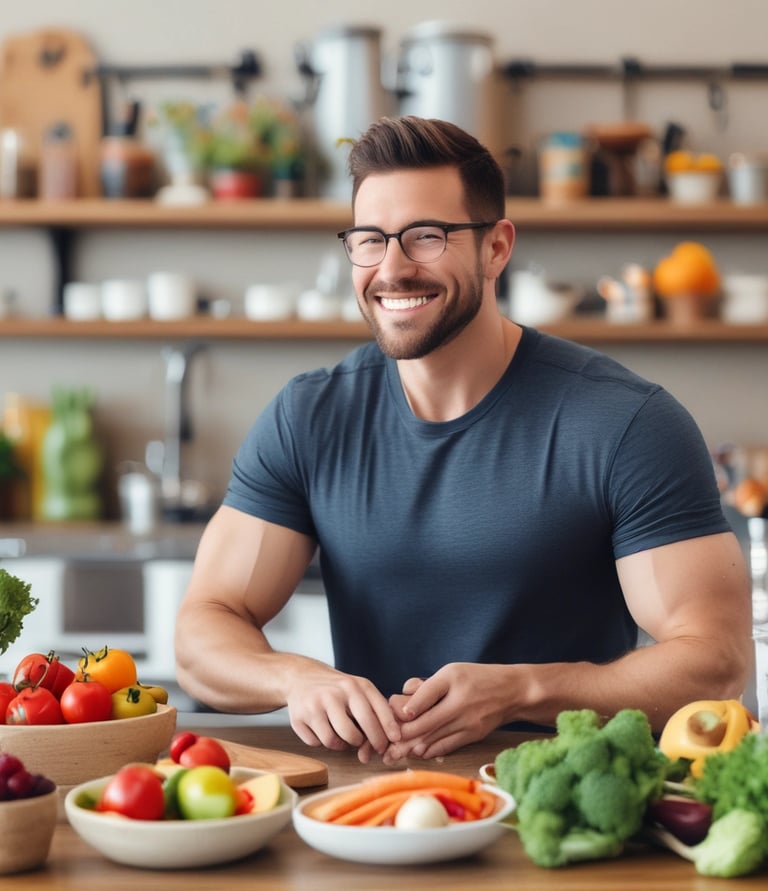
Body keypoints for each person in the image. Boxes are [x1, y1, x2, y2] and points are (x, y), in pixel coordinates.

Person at [175, 115, 752, 764]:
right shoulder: (309, 417)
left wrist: (524, 689)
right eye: (369, 240)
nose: (391, 269)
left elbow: (716, 660)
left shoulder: (625, 422)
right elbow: (204, 630)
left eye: (426, 236)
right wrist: (296, 678)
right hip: (376, 811)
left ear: (496, 248)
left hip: (565, 813)